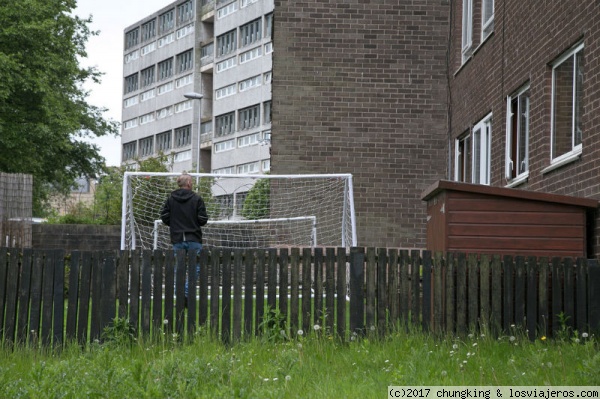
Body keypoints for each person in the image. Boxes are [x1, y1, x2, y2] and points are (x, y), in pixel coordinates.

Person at [160, 172, 209, 303]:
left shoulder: (171, 198)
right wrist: (193, 221)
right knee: (195, 267)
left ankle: (179, 294)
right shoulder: (197, 198)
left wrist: (175, 224)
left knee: (179, 268)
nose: (192, 183)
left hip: (177, 238)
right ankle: (186, 292)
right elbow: (203, 219)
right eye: (191, 182)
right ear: (188, 183)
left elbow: (164, 217)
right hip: (194, 238)